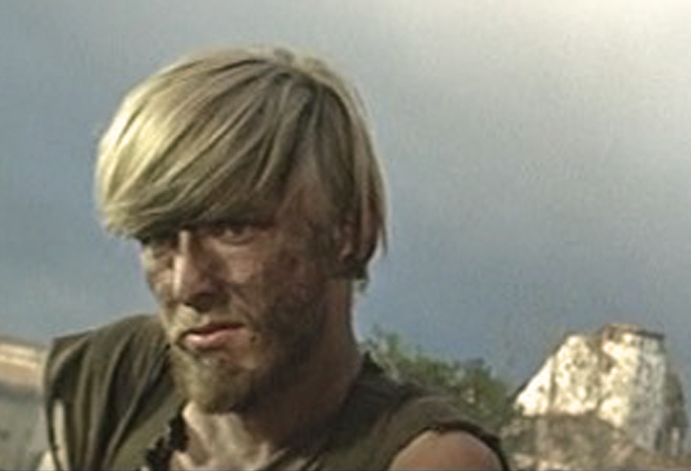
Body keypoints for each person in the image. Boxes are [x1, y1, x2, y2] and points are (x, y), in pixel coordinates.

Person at [39, 47, 507, 470]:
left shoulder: (428, 460)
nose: (187, 284)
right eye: (157, 239)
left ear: (348, 233)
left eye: (232, 230)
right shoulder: (115, 378)